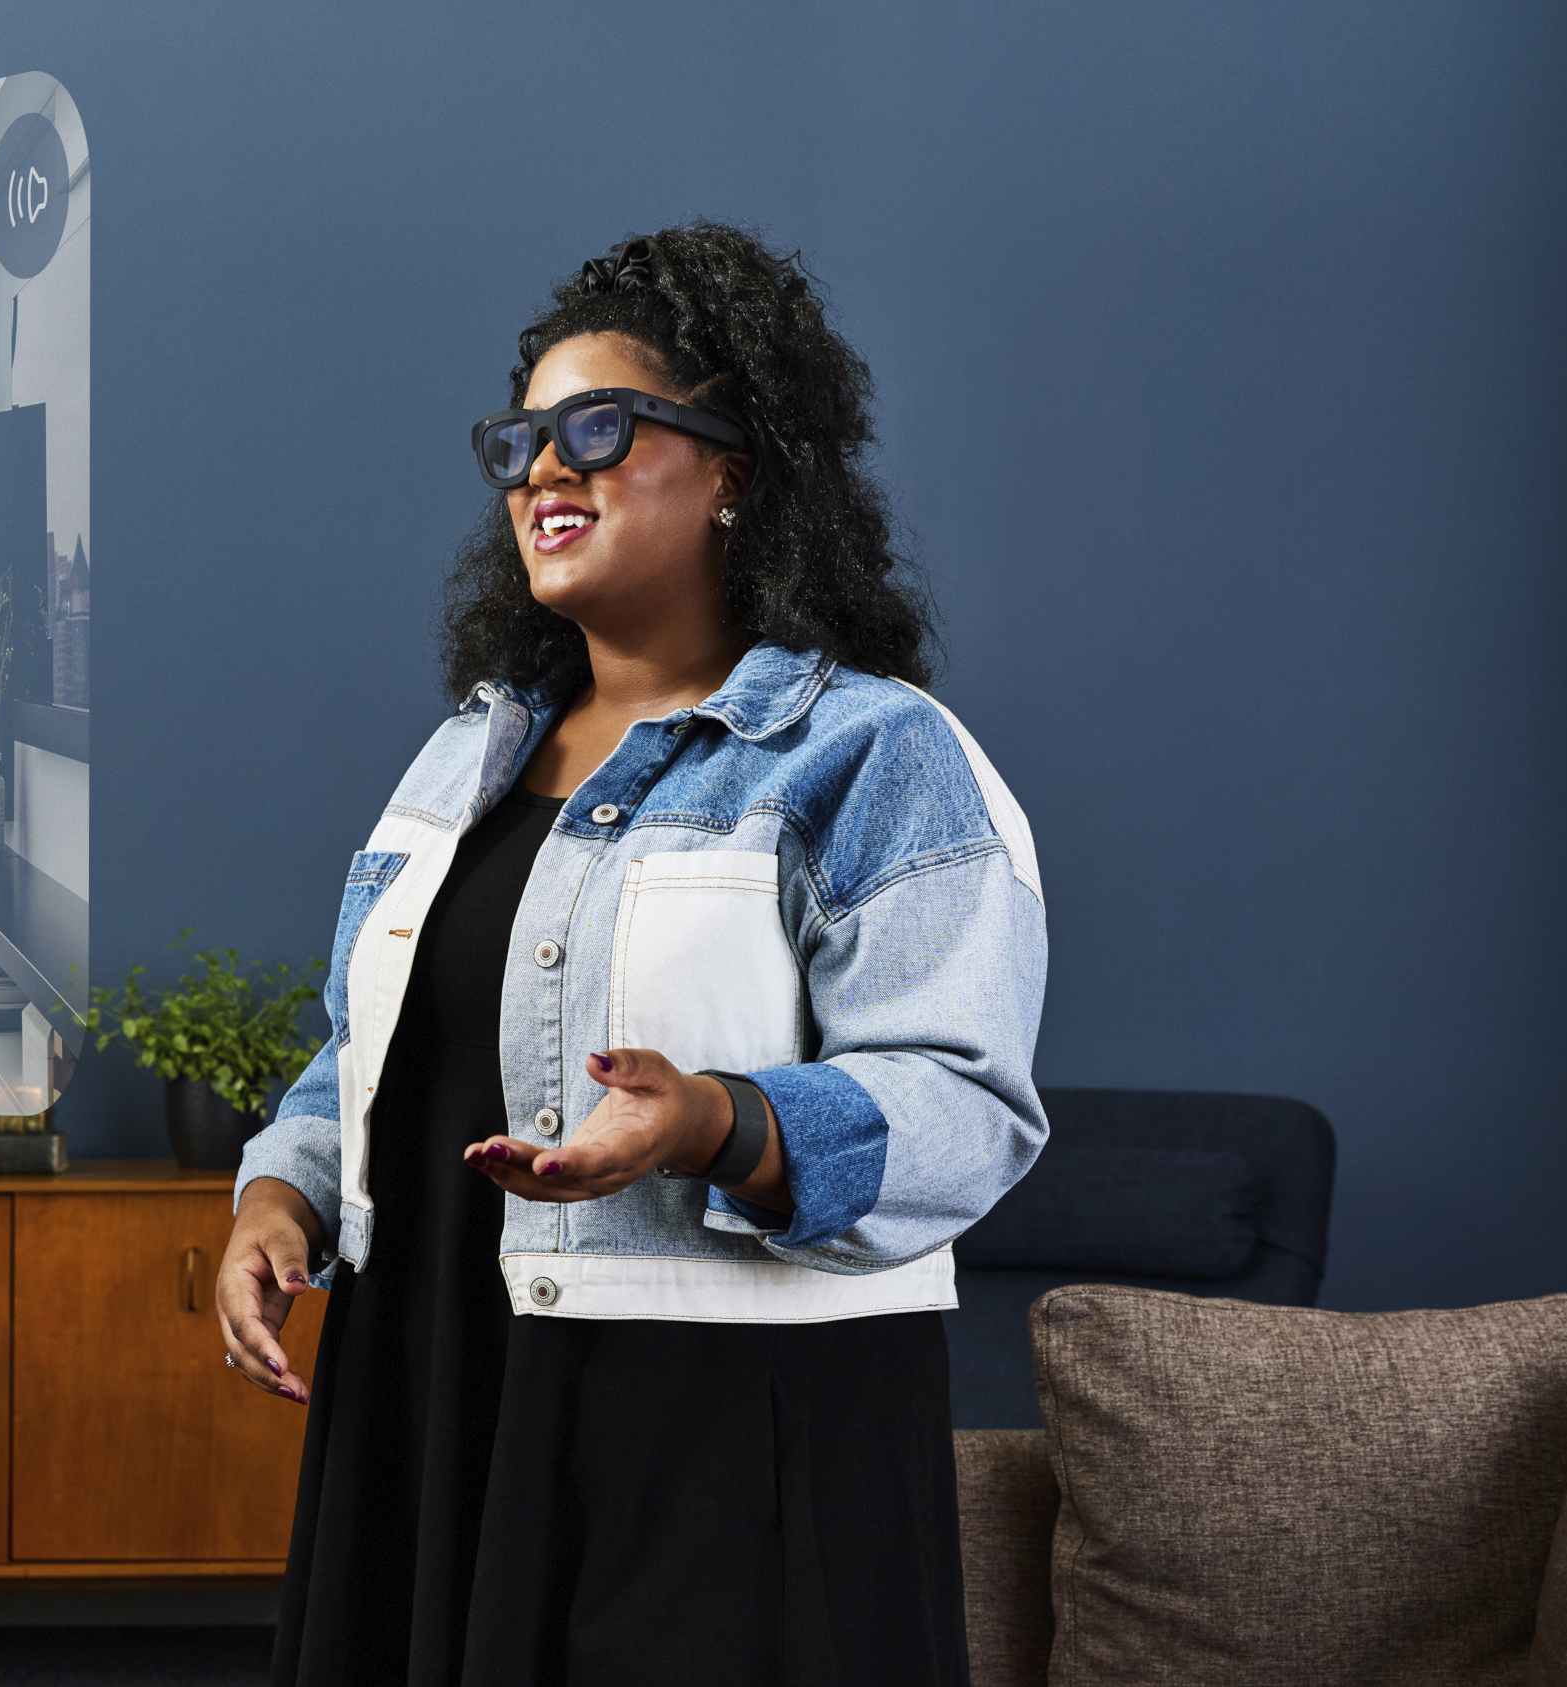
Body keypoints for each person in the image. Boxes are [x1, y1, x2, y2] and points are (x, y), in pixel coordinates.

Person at [220, 224, 1048, 1686]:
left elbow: (966, 1104)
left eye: (596, 427)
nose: (546, 467)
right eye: (523, 438)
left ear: (735, 464)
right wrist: (278, 1197)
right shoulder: (460, 760)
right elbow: (366, 1050)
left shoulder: (873, 754)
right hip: (430, 1393)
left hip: (713, 1431)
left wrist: (716, 1120)